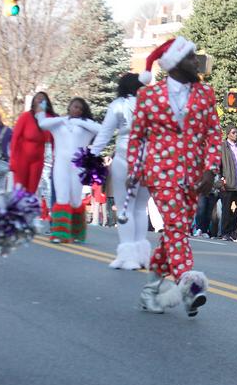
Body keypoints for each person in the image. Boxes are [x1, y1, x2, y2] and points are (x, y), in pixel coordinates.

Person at [128, 37, 221, 316]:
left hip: (193, 174)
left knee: (172, 233)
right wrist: (134, 170)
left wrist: (210, 169)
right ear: (176, 63)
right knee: (177, 227)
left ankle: (150, 291)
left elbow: (213, 134)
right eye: (192, 57)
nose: (197, 61)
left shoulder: (206, 94)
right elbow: (136, 137)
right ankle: (187, 284)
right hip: (160, 173)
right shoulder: (148, 96)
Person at [91, 72, 151, 269]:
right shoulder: (153, 104)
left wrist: (91, 155)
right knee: (141, 208)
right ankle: (142, 255)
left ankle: (128, 256)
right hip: (149, 160)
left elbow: (105, 133)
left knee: (125, 207)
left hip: (125, 158)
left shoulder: (118, 105)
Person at [37, 97, 102, 243]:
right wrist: (47, 112)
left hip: (78, 166)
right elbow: (42, 124)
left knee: (75, 200)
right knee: (61, 197)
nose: (77, 110)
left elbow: (101, 130)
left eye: (80, 108)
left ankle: (77, 232)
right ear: (69, 107)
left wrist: (79, 122)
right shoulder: (59, 123)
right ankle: (60, 234)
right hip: (60, 164)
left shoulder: (86, 124)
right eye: (75, 106)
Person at [10, 91, 54, 205]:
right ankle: (16, 215)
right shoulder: (25, 116)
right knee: (19, 189)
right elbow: (15, 138)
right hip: (22, 159)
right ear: (33, 102)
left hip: (38, 160)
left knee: (31, 191)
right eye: (37, 98)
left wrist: (55, 157)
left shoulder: (49, 119)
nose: (40, 100)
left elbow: (54, 140)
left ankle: (27, 216)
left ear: (47, 103)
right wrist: (13, 160)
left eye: (42, 99)